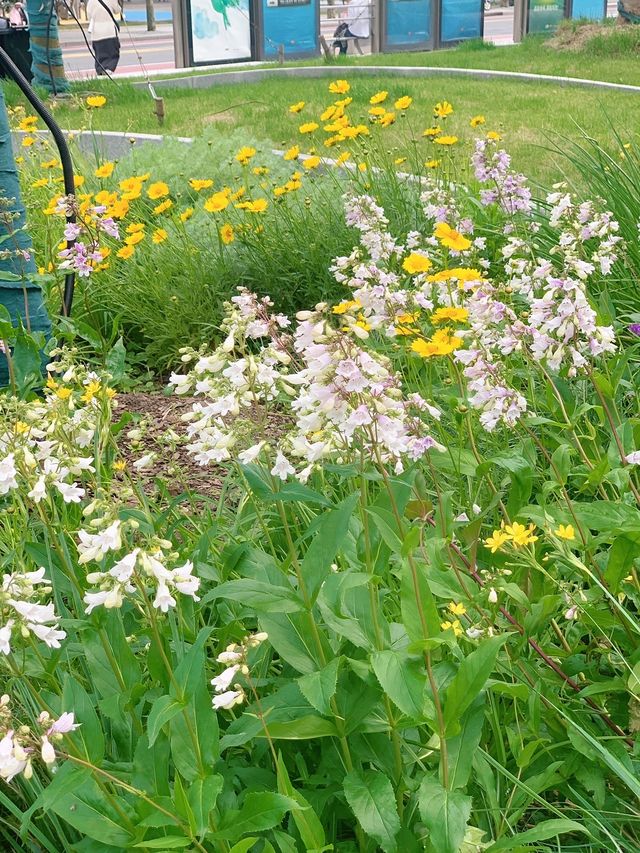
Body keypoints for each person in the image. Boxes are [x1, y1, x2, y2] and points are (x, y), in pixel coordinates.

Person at [86, 0, 121, 75]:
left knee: (99, 53)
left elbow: (89, 15)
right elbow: (117, 10)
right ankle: (108, 68)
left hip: (96, 32)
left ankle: (100, 69)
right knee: (112, 52)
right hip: (109, 31)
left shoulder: (91, 2)